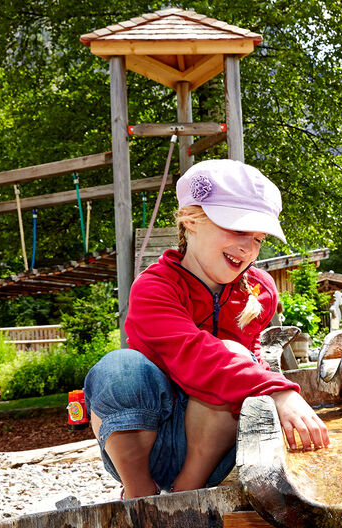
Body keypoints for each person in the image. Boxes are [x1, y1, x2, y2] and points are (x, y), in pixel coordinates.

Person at [84, 159, 329, 500]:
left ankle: (188, 494)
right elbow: (194, 356)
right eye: (238, 229)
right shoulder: (154, 288)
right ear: (190, 220)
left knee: (237, 355)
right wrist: (278, 390)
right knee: (119, 367)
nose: (248, 248)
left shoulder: (259, 291)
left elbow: (248, 358)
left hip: (215, 452)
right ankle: (139, 494)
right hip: (148, 438)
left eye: (258, 239)